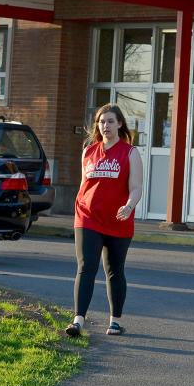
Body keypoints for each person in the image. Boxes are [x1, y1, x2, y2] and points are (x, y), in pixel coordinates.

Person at [67, 103, 143, 337]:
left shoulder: (130, 152)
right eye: (101, 121)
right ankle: (78, 320)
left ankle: (115, 321)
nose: (105, 126)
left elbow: (136, 186)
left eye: (110, 121)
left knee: (114, 270)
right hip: (88, 217)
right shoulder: (88, 151)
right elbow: (84, 185)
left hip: (118, 219)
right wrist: (78, 207)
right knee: (86, 266)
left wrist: (129, 206)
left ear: (120, 124)